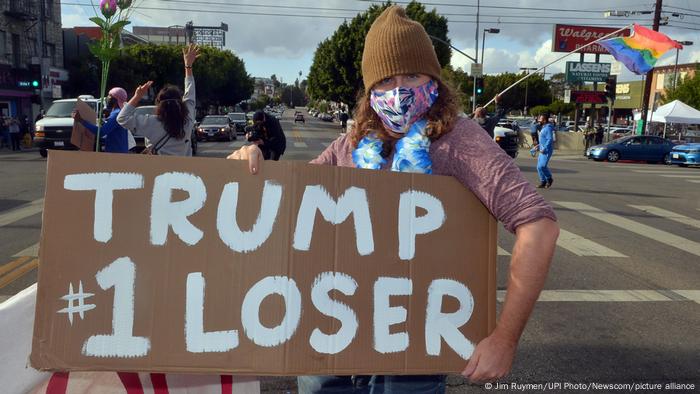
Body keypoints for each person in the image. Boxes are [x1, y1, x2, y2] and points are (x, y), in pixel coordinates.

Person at [227, 6, 558, 391]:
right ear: (370, 91)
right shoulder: (348, 145)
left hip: (412, 349)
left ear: (434, 81)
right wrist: (251, 165)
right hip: (328, 341)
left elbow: (539, 226)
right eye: (385, 80)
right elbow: (286, 200)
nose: (398, 90)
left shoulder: (461, 142)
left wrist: (504, 339)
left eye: (412, 76)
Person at [118, 44, 200, 156]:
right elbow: (190, 94)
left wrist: (137, 96)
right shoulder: (187, 121)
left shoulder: (151, 122)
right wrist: (188, 66)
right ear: (180, 103)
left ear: (159, 104)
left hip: (157, 170)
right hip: (183, 171)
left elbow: (122, 118)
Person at [73, 87, 130, 153]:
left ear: (116, 99)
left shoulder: (116, 114)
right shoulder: (118, 112)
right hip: (119, 152)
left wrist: (81, 120)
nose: (107, 98)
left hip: (116, 154)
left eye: (110, 96)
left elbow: (101, 132)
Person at [533, 113, 555, 188]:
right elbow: (543, 140)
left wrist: (544, 148)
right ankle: (543, 181)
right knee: (539, 167)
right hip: (542, 149)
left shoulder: (548, 128)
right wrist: (538, 146)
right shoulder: (544, 127)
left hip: (546, 151)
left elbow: (550, 139)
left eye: (540, 119)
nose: (539, 120)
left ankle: (549, 178)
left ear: (544, 120)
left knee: (542, 166)